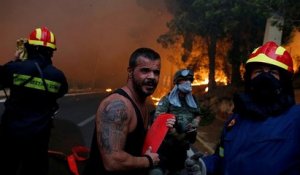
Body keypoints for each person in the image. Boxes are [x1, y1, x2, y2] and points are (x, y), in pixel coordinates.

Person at [185, 41, 300, 175]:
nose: (265, 77)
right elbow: (222, 159)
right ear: (249, 77)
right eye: (259, 71)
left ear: (284, 81)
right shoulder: (234, 121)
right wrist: (205, 166)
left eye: (273, 72)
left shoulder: (296, 119)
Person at [83, 47, 175, 175]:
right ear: (130, 72)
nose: (152, 77)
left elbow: (138, 142)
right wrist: (148, 161)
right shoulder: (118, 106)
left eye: (156, 72)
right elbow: (113, 162)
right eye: (145, 71)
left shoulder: (144, 103)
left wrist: (162, 131)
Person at [0, 27, 68, 175]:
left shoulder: (15, 68)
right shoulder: (58, 76)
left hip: (11, 132)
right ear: (51, 51)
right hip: (39, 136)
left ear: (31, 47)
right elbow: (61, 92)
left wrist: (15, 60)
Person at [150, 69, 202, 175]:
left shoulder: (193, 100)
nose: (188, 82)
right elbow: (158, 121)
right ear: (177, 82)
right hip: (165, 149)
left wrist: (194, 123)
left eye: (189, 80)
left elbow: (198, 114)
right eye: (184, 80)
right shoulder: (167, 100)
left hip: (182, 149)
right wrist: (173, 130)